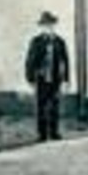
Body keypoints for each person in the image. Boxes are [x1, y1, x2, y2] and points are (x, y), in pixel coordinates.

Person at [24, 10, 71, 142]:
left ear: (54, 26)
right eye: (45, 26)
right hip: (41, 78)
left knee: (55, 105)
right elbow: (29, 61)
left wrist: (66, 79)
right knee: (41, 105)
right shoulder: (36, 41)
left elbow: (65, 61)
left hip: (55, 78)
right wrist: (30, 78)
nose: (48, 28)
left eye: (51, 25)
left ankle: (54, 131)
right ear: (41, 27)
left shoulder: (60, 42)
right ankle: (41, 133)